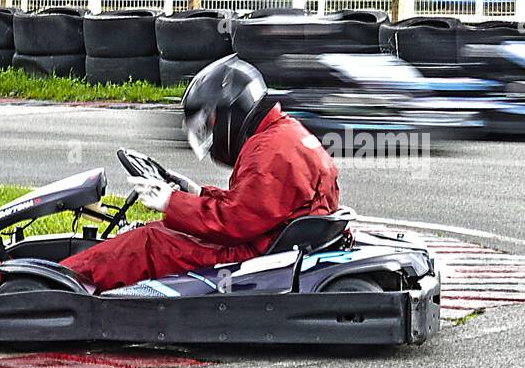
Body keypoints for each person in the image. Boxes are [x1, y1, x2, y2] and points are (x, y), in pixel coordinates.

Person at [61, 56, 340, 291]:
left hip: (255, 253)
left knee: (149, 242)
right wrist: (196, 193)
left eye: (210, 121)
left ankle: (58, 285)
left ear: (232, 111)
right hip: (270, 239)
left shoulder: (272, 150)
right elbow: (254, 205)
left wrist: (172, 202)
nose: (209, 132)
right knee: (159, 230)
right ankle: (66, 276)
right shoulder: (281, 133)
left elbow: (234, 223)